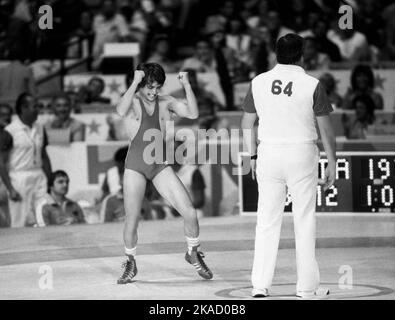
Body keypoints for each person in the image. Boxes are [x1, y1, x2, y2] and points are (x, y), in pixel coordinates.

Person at [241, 33, 336, 299]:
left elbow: (246, 125)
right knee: (304, 221)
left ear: (276, 53)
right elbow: (327, 132)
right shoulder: (313, 84)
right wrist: (332, 162)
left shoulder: (258, 82)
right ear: (302, 54)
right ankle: (307, 289)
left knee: (266, 222)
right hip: (301, 154)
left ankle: (260, 287)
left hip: (268, 155)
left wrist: (252, 158)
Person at [115, 62, 213, 284]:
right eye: (149, 87)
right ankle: (130, 262)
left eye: (157, 87)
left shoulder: (166, 101)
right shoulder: (133, 101)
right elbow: (120, 110)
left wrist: (187, 85)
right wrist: (134, 82)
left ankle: (193, 252)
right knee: (132, 220)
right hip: (135, 166)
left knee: (190, 212)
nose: (153, 92)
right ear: (141, 84)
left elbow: (192, 112)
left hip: (159, 165)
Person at [4, 93, 52, 227]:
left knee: (43, 214)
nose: (38, 109)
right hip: (19, 177)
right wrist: (10, 188)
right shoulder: (10, 130)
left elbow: (44, 155)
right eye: (35, 106)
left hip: (39, 175)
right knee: (19, 219)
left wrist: (50, 178)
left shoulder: (40, 128)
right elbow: (1, 162)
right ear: (23, 108)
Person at [0, 103, 13, 227]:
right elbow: (1, 163)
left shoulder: (7, 134)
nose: (6, 118)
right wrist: (10, 188)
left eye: (9, 115)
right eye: (2, 115)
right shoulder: (4, 136)